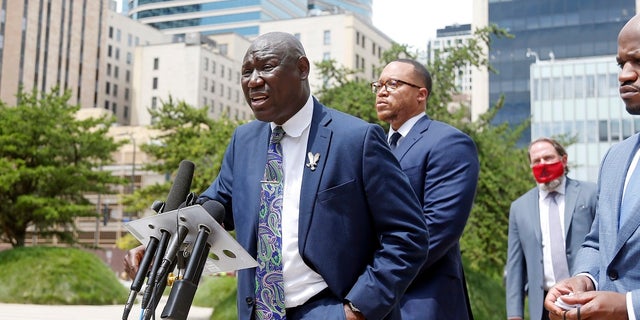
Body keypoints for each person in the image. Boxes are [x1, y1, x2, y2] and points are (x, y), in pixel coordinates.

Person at [125, 32, 430, 320]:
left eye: (267, 67)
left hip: (329, 308)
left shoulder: (356, 139)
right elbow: (217, 206)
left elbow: (408, 235)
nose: (254, 81)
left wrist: (358, 309)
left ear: (302, 68)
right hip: (258, 311)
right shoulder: (243, 141)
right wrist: (162, 245)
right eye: (246, 72)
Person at [544, 13, 640, 320]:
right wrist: (584, 279)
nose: (625, 75)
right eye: (621, 64)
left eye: (638, 61)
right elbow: (598, 241)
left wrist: (627, 307)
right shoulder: (616, 157)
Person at [373, 58, 479, 319]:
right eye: (379, 84)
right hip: (372, 301)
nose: (382, 90)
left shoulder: (448, 142)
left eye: (393, 84)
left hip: (423, 301)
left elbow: (438, 228)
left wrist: (375, 282)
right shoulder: (371, 146)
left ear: (421, 94)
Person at [505, 138, 597, 320]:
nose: (543, 164)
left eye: (548, 158)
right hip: (544, 305)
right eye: (536, 161)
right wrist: (514, 314)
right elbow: (515, 266)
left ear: (563, 160)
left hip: (587, 299)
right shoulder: (519, 208)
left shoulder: (591, 194)